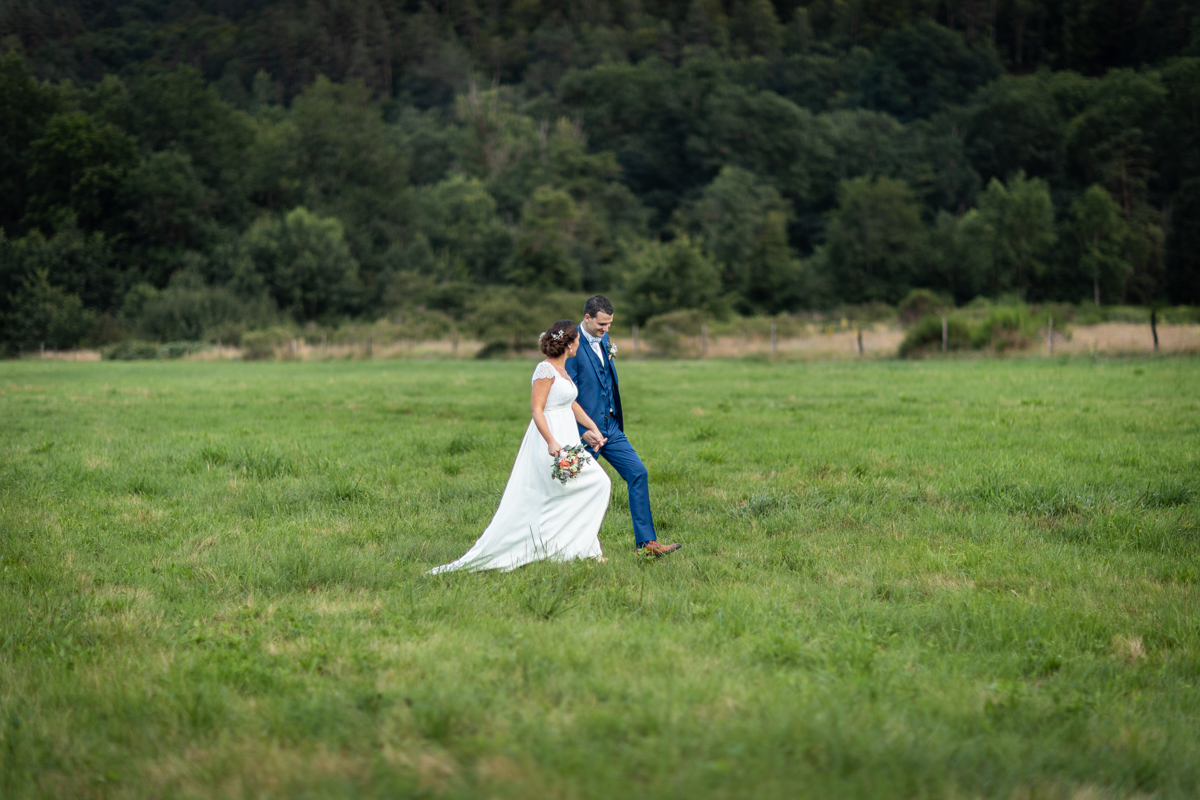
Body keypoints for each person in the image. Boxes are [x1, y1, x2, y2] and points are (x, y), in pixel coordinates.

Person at [430, 320, 612, 573]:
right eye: (577, 341)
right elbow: (537, 409)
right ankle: (573, 549)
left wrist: (592, 428)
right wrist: (551, 441)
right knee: (581, 487)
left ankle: (581, 548)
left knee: (589, 486)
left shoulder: (563, 370)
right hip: (551, 436)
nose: (579, 344)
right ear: (569, 344)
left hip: (569, 435)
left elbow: (570, 403)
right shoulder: (545, 370)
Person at [566, 295, 681, 557]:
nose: (606, 330)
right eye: (601, 325)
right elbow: (567, 392)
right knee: (569, 485)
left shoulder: (604, 339)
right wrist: (583, 430)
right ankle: (563, 544)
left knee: (638, 473)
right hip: (584, 432)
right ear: (587, 318)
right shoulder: (571, 344)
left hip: (611, 426)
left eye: (609, 325)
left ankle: (647, 543)